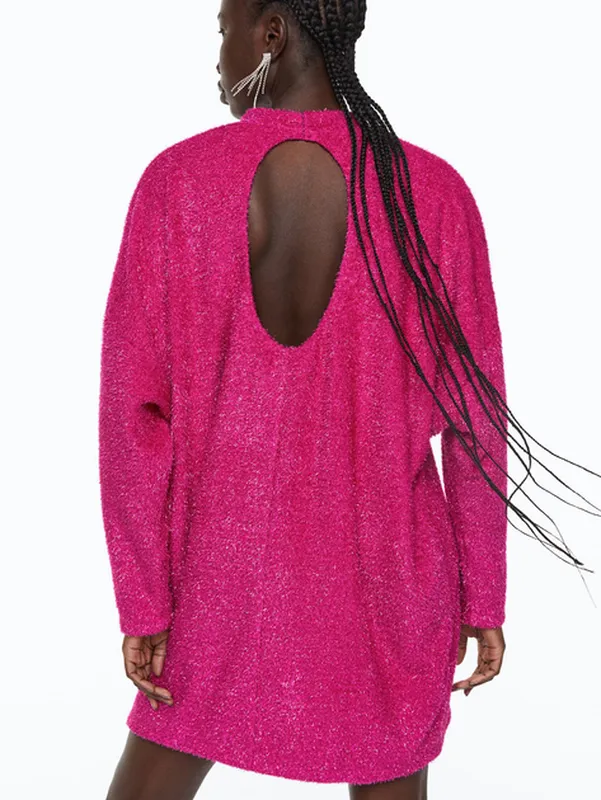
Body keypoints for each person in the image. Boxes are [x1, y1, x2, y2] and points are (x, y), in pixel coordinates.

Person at [99, 2, 599, 798]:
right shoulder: (429, 194)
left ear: (270, 33)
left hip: (215, 586)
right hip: (388, 583)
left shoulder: (179, 183)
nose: (217, 54)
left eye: (223, 28)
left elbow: (133, 416)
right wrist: (481, 594)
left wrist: (146, 600)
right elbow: (474, 423)